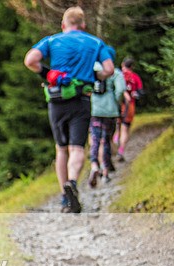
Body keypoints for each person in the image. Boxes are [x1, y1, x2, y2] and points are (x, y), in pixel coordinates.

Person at [24, 6, 114, 213]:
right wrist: (95, 76)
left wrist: (47, 73)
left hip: (56, 100)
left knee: (61, 149)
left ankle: (65, 199)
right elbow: (108, 69)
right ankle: (72, 182)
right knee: (77, 148)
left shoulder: (52, 40)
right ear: (83, 25)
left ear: (63, 25)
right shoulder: (95, 42)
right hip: (81, 100)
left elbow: (30, 60)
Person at [87, 45, 125, 187]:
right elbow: (120, 90)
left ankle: (94, 165)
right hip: (110, 111)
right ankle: (105, 172)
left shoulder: (93, 71)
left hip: (94, 110)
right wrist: (116, 102)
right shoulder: (115, 73)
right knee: (106, 140)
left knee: (95, 139)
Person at [116, 57, 144, 162]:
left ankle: (113, 144)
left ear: (123, 64)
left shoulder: (118, 76)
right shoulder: (135, 77)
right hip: (129, 106)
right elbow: (140, 92)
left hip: (117, 105)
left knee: (116, 127)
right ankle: (121, 150)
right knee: (125, 129)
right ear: (132, 66)